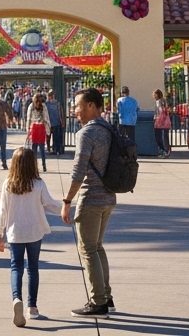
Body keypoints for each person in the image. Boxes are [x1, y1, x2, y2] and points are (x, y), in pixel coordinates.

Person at [0, 147, 63, 326]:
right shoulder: (38, 184)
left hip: (14, 233)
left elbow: (2, 210)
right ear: (33, 164)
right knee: (33, 268)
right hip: (34, 232)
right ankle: (32, 307)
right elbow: (49, 204)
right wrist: (64, 209)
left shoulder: (8, 184)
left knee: (16, 268)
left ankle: (16, 299)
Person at [64, 87, 114, 319]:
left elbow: (78, 171)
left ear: (91, 106)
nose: (76, 111)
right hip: (109, 197)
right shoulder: (109, 129)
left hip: (91, 198)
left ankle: (98, 302)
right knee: (97, 246)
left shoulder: (87, 133)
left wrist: (67, 200)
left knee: (88, 249)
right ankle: (107, 297)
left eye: (79, 106)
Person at [24, 92, 50, 172]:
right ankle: (44, 165)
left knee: (33, 149)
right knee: (42, 148)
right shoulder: (43, 106)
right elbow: (46, 118)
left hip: (34, 127)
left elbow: (28, 118)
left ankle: (34, 166)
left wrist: (27, 129)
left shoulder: (31, 106)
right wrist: (48, 129)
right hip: (41, 127)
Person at [152, 90, 171, 158]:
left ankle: (164, 150)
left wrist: (157, 119)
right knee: (164, 137)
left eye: (154, 94)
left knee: (159, 137)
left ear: (157, 95)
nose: (153, 95)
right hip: (166, 121)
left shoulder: (159, 102)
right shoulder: (163, 101)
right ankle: (166, 150)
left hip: (160, 122)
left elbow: (161, 111)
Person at [46, 90, 64, 156]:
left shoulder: (46, 104)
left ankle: (49, 149)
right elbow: (60, 113)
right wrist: (62, 121)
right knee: (56, 137)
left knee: (48, 137)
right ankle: (57, 149)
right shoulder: (57, 103)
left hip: (49, 123)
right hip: (56, 122)